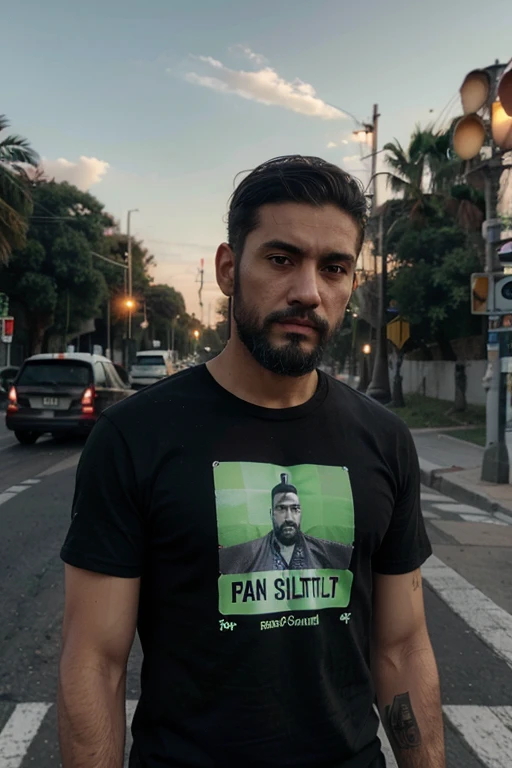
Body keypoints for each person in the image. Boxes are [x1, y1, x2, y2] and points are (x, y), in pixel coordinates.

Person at [58, 155, 445, 768]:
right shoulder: (133, 436)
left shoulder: (385, 439)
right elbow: (94, 664)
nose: (308, 292)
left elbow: (401, 647)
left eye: (334, 268)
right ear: (228, 269)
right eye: (281, 259)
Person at [219, 472, 354, 573]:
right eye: (281, 509)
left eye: (295, 509)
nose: (289, 518)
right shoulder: (251, 552)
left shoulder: (322, 550)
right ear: (271, 514)